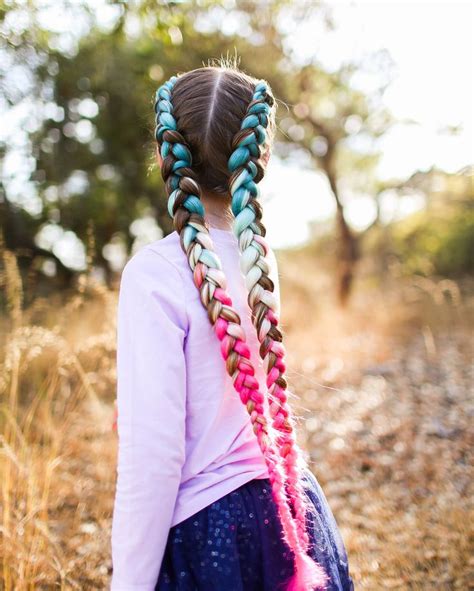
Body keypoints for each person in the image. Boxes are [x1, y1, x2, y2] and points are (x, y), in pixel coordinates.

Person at [110, 64, 354, 591]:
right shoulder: (256, 257)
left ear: (163, 155)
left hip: (212, 533)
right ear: (259, 156)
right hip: (291, 509)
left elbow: (154, 455)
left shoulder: (154, 273)